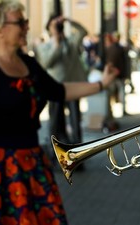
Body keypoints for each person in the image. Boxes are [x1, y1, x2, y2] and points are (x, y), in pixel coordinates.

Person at [0, 0, 118, 225]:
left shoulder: (28, 63)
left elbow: (59, 91)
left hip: (30, 163)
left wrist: (102, 84)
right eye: (20, 22)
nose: (26, 26)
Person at [35, 15, 88, 146]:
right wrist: (56, 44)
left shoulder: (71, 42)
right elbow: (46, 63)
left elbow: (83, 32)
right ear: (49, 29)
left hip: (73, 87)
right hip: (55, 87)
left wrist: (69, 20)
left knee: (75, 121)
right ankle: (56, 152)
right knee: (55, 122)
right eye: (54, 26)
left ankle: (78, 151)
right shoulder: (45, 46)